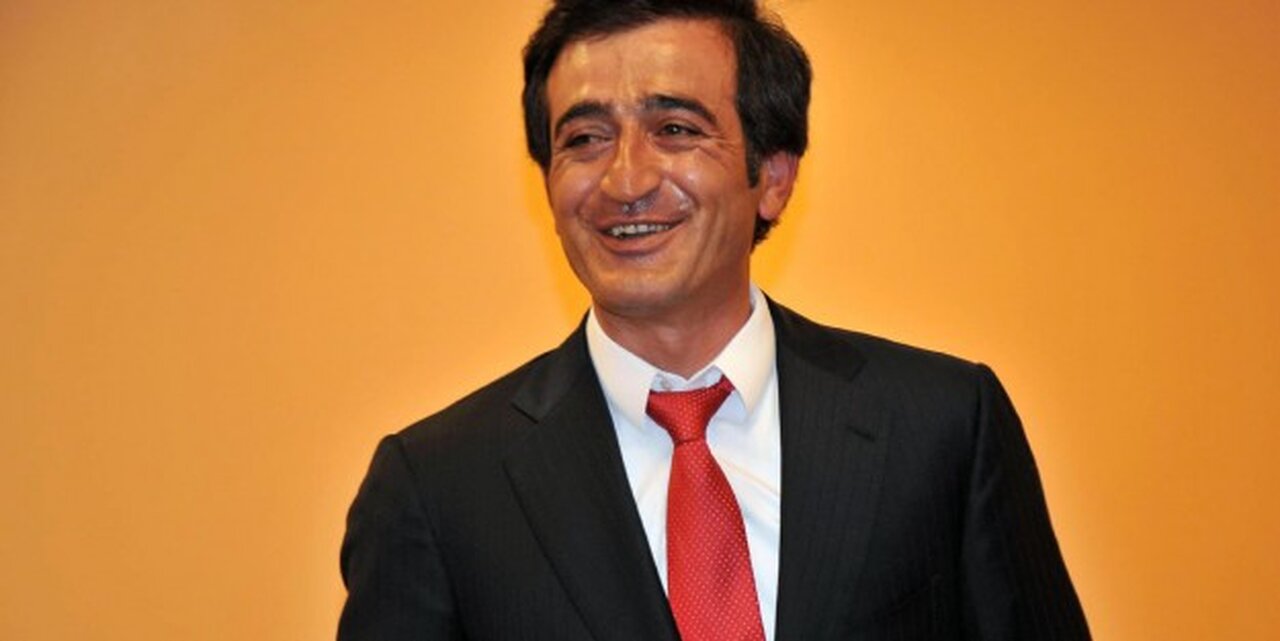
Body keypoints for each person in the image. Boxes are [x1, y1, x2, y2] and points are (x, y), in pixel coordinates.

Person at [338, 1, 1090, 639]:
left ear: (774, 175)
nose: (625, 180)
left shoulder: (942, 424)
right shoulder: (438, 486)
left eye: (675, 129)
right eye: (585, 139)